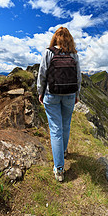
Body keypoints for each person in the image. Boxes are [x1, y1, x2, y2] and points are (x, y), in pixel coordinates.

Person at [37, 27, 82, 181]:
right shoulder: (74, 54)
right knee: (66, 124)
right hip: (69, 94)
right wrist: (76, 94)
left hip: (52, 94)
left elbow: (42, 73)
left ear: (55, 38)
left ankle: (59, 169)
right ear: (69, 38)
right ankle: (62, 152)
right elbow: (78, 77)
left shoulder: (48, 52)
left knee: (55, 129)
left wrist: (40, 92)